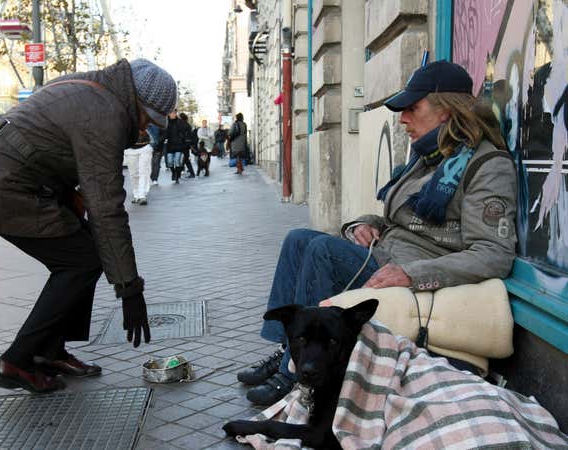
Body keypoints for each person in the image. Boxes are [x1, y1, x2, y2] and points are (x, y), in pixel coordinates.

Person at [236, 60, 518, 406]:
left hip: (417, 271)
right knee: (298, 239)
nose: (403, 119)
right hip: (386, 253)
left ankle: (297, 374)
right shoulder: (428, 157)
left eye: (413, 108)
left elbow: (494, 253)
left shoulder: (487, 166)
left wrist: (411, 275)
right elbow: (397, 217)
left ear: (446, 110)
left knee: (321, 250)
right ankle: (287, 349)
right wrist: (362, 225)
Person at [0, 58, 178, 393]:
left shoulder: (93, 88)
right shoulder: (104, 115)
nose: (144, 131)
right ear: (136, 102)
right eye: (148, 121)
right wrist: (130, 289)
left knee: (84, 254)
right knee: (80, 261)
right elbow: (107, 209)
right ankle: (16, 361)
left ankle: (49, 352)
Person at [124, 131, 153, 205]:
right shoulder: (125, 120)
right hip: (130, 149)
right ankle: (136, 194)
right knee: (133, 174)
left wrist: (155, 143)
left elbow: (156, 127)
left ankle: (142, 195)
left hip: (145, 147)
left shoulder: (145, 120)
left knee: (144, 172)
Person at [164, 109, 188, 184]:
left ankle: (177, 176)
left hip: (179, 145)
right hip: (170, 145)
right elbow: (163, 132)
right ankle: (173, 172)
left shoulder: (180, 122)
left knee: (177, 162)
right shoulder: (166, 122)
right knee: (170, 162)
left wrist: (182, 140)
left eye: (174, 113)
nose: (173, 114)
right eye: (171, 113)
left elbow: (185, 132)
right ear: (169, 114)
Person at [181, 113, 196, 178]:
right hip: (187, 144)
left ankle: (191, 173)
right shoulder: (188, 125)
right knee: (185, 159)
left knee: (184, 159)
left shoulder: (182, 125)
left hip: (183, 143)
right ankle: (190, 172)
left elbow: (182, 135)